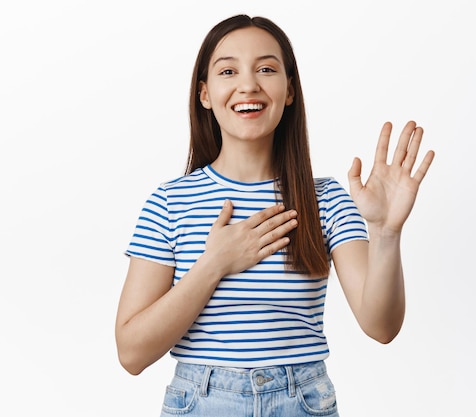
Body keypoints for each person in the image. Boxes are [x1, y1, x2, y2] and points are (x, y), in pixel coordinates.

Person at [115, 14, 434, 417]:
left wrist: (386, 233)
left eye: (266, 68)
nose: (248, 84)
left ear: (289, 91)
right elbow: (131, 353)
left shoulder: (326, 199)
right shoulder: (170, 203)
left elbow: (381, 327)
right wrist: (214, 263)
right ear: (205, 94)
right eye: (228, 71)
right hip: (202, 402)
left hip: (301, 401)